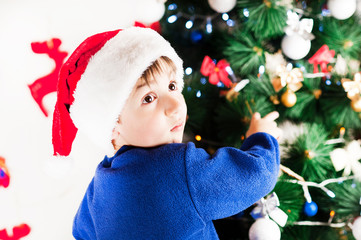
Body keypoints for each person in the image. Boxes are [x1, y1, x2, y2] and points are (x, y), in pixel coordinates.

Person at [52, 27, 282, 240]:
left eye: (172, 86)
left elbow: (81, 233)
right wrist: (262, 138)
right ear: (113, 127)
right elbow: (256, 176)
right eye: (148, 98)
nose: (174, 105)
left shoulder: (101, 182)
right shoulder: (178, 168)